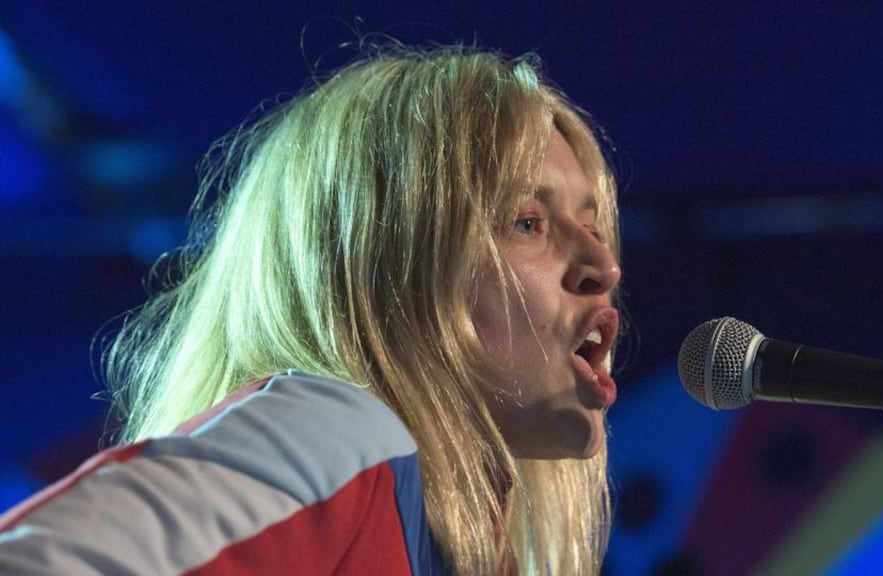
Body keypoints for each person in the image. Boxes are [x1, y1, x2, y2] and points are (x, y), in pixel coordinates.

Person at [0, 45, 623, 575]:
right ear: (390, 270)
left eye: (593, 225)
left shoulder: (443, 533)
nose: (604, 265)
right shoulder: (338, 431)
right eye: (527, 222)